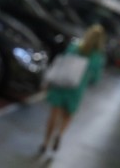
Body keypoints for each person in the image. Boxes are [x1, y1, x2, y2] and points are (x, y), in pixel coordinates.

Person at [40, 24, 106, 155]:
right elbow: (95, 79)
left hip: (62, 83)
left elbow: (62, 61)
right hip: (77, 88)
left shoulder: (74, 47)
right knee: (67, 115)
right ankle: (59, 134)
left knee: (54, 115)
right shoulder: (98, 57)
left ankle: (46, 142)